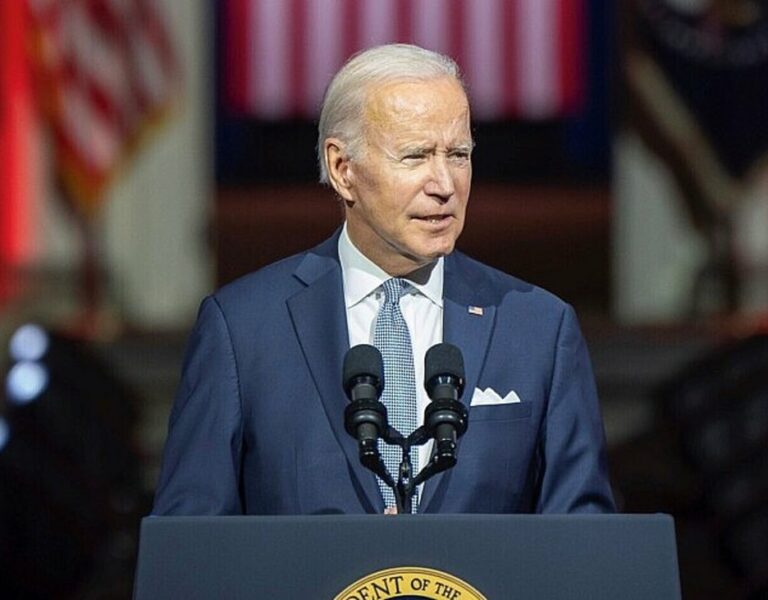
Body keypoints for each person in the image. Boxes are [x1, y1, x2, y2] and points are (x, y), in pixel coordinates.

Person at [152, 43, 615, 515]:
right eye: (415, 157)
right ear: (342, 169)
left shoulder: (538, 328)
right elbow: (190, 543)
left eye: (457, 154)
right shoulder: (243, 329)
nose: (444, 184)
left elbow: (583, 540)